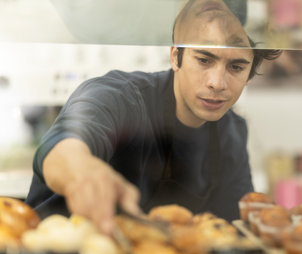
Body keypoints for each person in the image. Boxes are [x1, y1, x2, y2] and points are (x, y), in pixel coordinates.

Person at [26, 0, 281, 234]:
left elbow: (232, 230)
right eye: (204, 59)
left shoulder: (231, 132)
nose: (217, 83)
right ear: (175, 57)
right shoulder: (118, 95)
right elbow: (61, 149)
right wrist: (83, 171)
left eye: (236, 67)